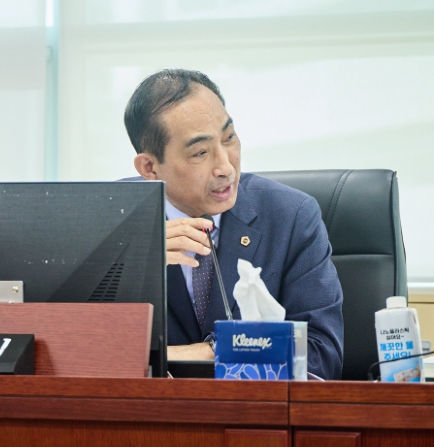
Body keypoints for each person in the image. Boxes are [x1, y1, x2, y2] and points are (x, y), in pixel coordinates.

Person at [123, 69, 344, 380]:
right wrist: (133, 266)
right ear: (149, 167)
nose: (226, 167)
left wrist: (211, 350)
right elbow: (73, 349)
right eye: (200, 152)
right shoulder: (111, 224)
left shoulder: (291, 217)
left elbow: (321, 356)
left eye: (229, 138)